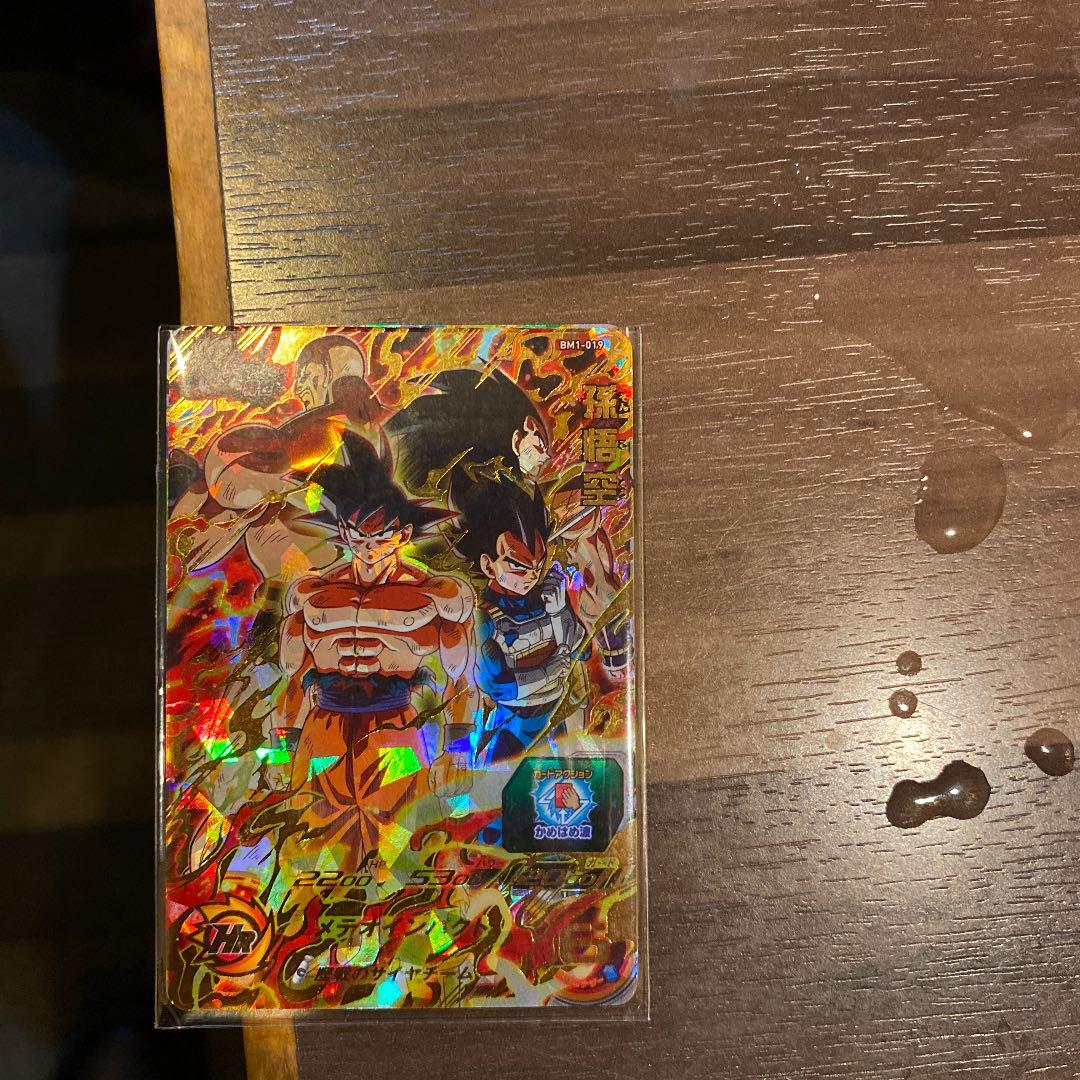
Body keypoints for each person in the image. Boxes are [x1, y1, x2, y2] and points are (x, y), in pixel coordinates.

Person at [271, 432, 476, 867]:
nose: (367, 549)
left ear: (402, 534)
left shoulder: (434, 594)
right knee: (313, 838)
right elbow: (293, 678)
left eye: (379, 536)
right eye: (356, 536)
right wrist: (279, 751)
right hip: (323, 726)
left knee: (395, 839)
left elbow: (460, 678)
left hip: (393, 728)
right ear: (343, 534)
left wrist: (457, 751)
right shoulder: (312, 593)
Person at [452, 475, 588, 765]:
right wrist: (551, 669)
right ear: (489, 565)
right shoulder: (483, 615)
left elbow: (582, 650)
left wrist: (559, 612)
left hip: (556, 718)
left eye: (537, 565)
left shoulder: (549, 598)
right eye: (518, 566)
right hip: (512, 726)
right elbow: (498, 686)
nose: (531, 576)